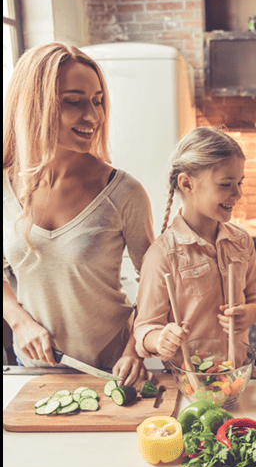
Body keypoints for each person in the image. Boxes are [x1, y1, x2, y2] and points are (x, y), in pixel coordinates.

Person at [3, 42, 155, 385]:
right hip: (34, 369)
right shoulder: (3, 187)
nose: (94, 116)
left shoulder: (124, 192)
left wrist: (135, 349)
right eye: (74, 102)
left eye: (98, 101)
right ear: (34, 106)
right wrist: (19, 321)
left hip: (114, 369)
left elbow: (156, 282)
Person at [134, 127, 256, 362]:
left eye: (239, 182)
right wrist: (160, 339)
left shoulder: (241, 241)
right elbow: (144, 329)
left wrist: (250, 313)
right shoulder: (162, 255)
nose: (237, 193)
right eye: (226, 184)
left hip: (236, 373)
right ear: (187, 184)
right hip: (190, 382)